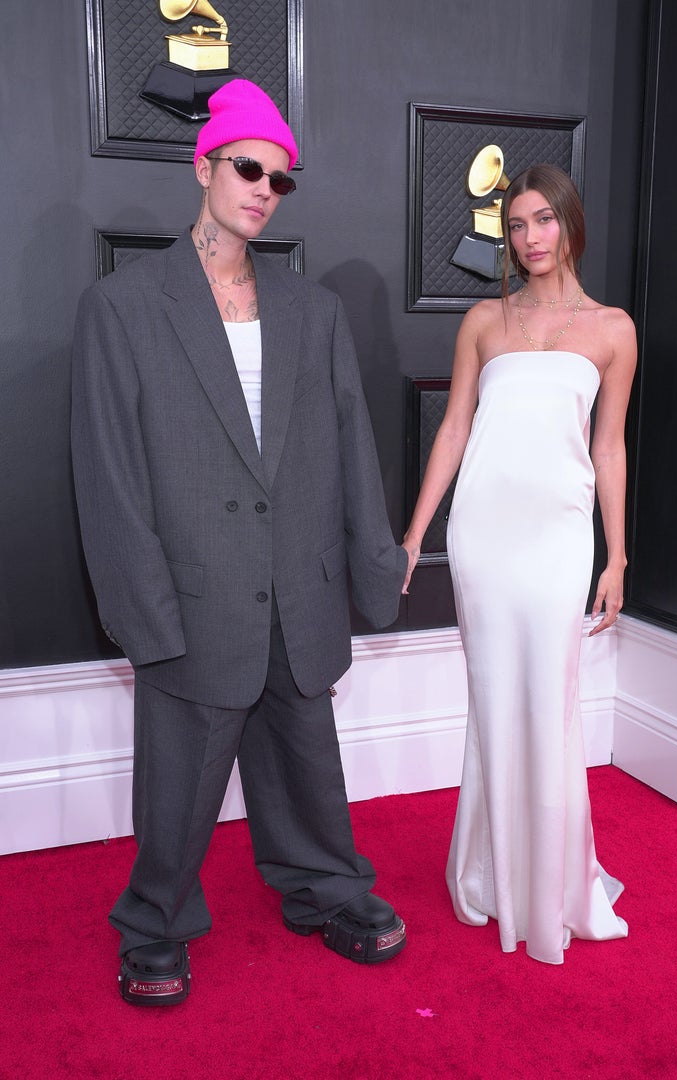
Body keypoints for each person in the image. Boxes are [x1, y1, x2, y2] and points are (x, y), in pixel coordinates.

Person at [71, 79, 408, 1005]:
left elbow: (350, 446)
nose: (264, 187)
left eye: (281, 179)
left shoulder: (314, 311)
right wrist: (143, 607)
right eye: (249, 168)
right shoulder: (125, 306)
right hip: (191, 588)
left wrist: (371, 565)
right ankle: (156, 922)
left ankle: (326, 891)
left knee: (307, 757)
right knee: (177, 784)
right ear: (204, 166)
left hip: (298, 580)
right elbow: (108, 474)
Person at [402, 164, 636, 965]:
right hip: (484, 538)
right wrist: (416, 534)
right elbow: (455, 430)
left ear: (570, 223)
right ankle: (490, 876)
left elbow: (608, 446)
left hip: (562, 539)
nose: (531, 238)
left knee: (554, 705)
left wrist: (618, 553)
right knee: (495, 701)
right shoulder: (483, 321)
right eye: (516, 226)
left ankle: (555, 886)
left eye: (543, 221)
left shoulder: (612, 329)